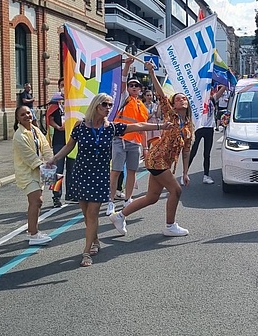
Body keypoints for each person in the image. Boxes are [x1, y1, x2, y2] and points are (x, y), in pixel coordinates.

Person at [48, 93, 170, 267]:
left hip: (100, 175)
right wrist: (54, 159)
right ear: (96, 105)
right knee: (86, 215)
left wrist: (161, 125)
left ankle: (86, 252)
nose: (108, 108)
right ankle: (95, 241)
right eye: (105, 104)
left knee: (92, 214)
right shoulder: (80, 126)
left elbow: (138, 126)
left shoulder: (111, 128)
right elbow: (69, 146)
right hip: (81, 173)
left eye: (110, 105)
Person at [110, 61, 193, 237]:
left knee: (152, 197)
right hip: (157, 159)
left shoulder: (188, 126)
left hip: (164, 163)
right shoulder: (171, 115)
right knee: (176, 190)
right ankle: (170, 226)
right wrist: (151, 73)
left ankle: (119, 216)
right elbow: (162, 96)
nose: (181, 100)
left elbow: (186, 151)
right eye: (177, 98)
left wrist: (185, 172)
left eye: (184, 98)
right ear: (173, 104)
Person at [108, 58, 149, 215]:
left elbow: (143, 128)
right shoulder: (124, 98)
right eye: (131, 85)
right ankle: (110, 201)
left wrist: (145, 147)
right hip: (120, 140)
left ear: (140, 89)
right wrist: (127, 65)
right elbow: (123, 80)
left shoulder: (143, 107)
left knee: (132, 172)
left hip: (135, 143)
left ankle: (128, 199)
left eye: (136, 85)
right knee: (116, 171)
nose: (133, 87)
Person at [13, 105, 55, 245]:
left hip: (38, 172)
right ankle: (33, 234)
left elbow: (46, 147)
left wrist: (51, 160)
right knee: (36, 201)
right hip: (27, 173)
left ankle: (33, 231)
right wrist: (44, 166)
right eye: (22, 114)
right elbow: (30, 158)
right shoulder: (19, 136)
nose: (27, 116)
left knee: (38, 202)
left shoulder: (36, 130)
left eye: (28, 113)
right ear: (18, 118)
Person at [188, 84, 227, 184]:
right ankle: (185, 173)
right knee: (193, 151)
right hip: (198, 128)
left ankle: (206, 175)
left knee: (207, 153)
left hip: (209, 128)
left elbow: (223, 88)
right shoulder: (196, 100)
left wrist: (222, 80)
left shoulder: (213, 99)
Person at [46, 92, 66, 208]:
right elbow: (50, 118)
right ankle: (56, 196)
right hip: (59, 140)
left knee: (73, 168)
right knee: (58, 170)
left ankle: (73, 194)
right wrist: (58, 127)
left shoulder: (74, 101)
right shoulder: (56, 102)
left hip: (71, 139)